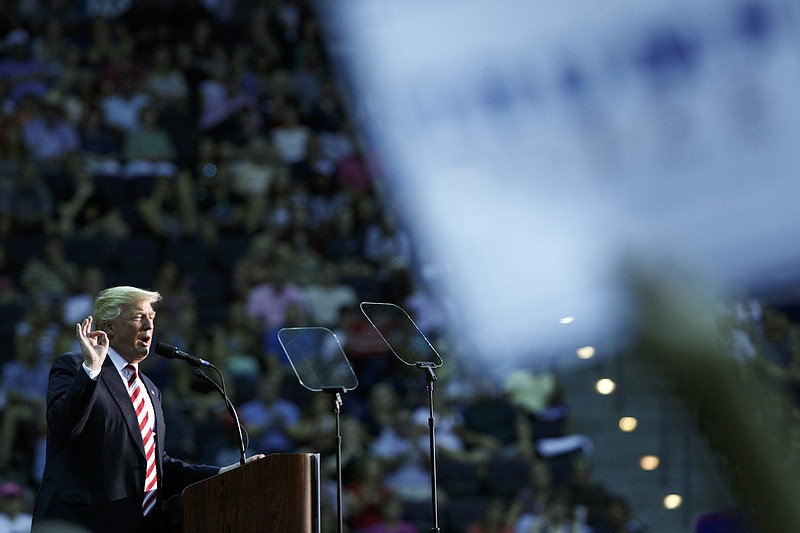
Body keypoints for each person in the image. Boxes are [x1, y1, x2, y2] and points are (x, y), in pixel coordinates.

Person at [32, 285, 263, 533]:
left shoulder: (150, 390)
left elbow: (157, 466)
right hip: (80, 523)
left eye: (151, 318)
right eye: (138, 317)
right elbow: (63, 426)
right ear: (109, 327)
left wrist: (224, 472)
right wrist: (92, 370)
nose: (149, 326)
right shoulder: (76, 367)